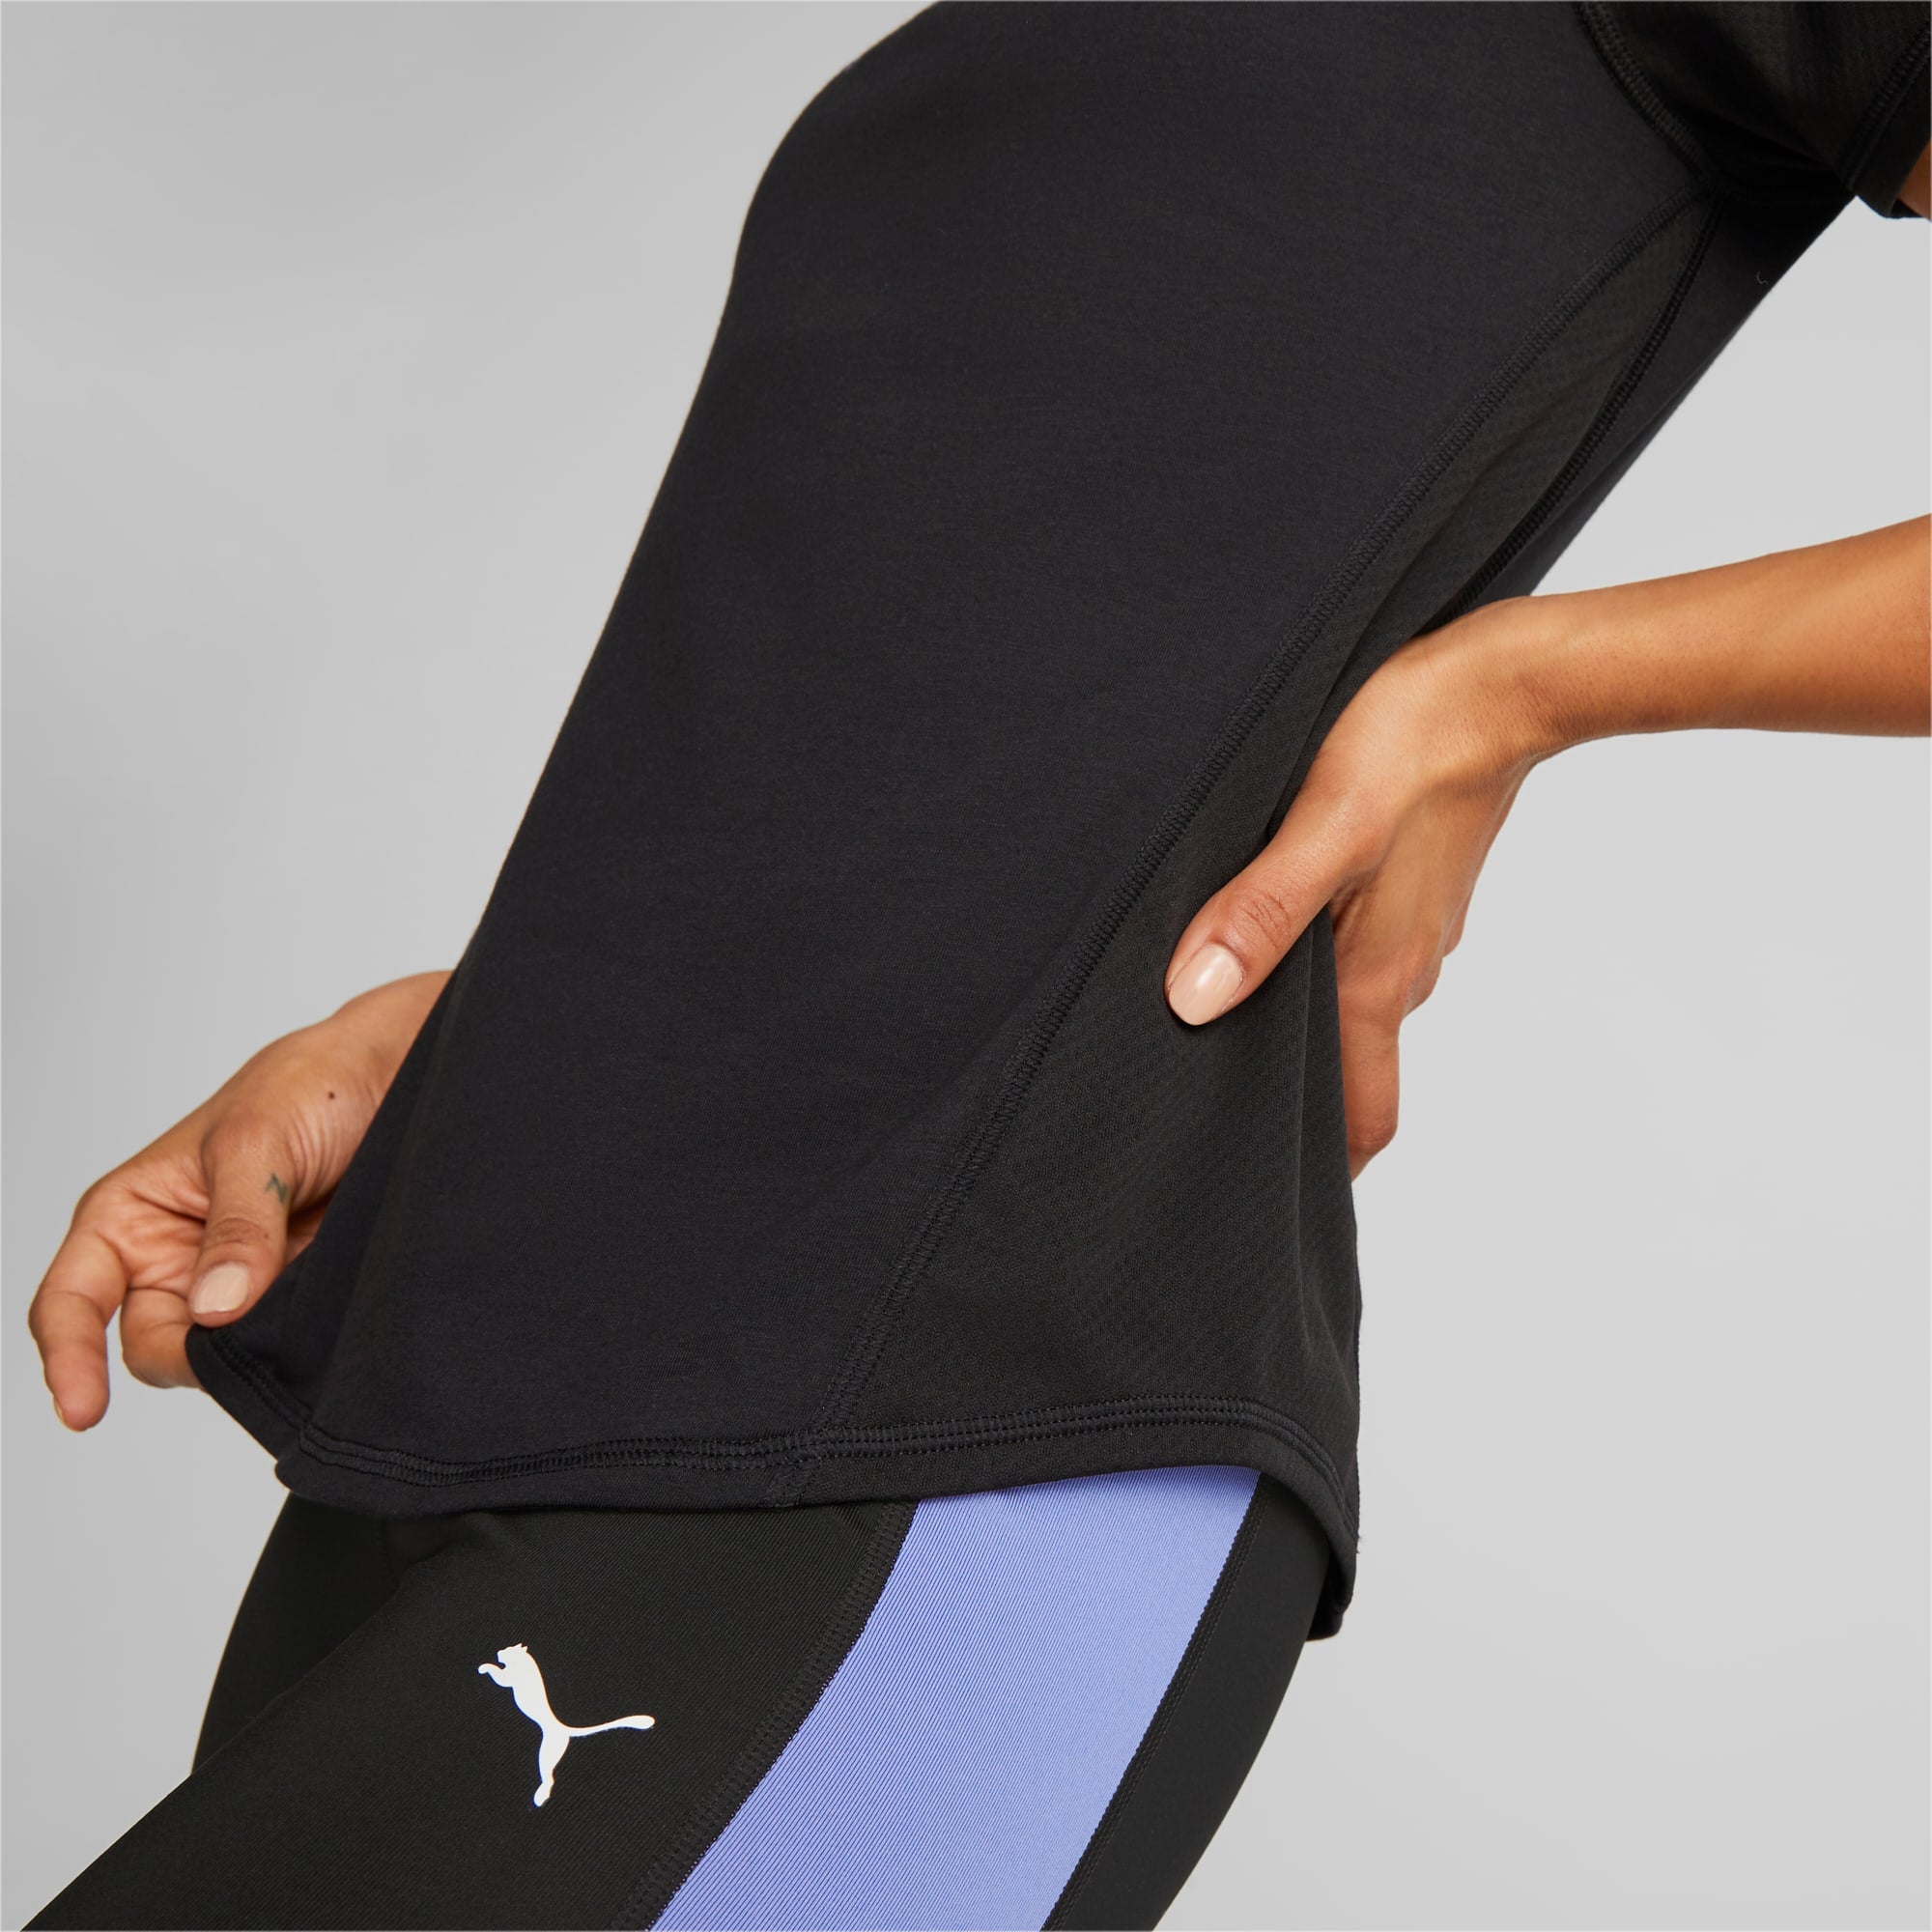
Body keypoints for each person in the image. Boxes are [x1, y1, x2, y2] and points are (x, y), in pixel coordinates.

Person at [26, 6, 1931, 1927]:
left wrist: (1507, 690)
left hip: (941, 1407)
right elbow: (967, 646)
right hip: (501, 1358)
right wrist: (503, 1022)